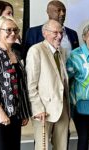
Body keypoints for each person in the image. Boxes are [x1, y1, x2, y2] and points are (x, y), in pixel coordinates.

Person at [26, 19, 70, 150]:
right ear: (45, 33)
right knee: (42, 147)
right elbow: (31, 84)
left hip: (62, 109)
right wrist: (37, 108)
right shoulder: (36, 50)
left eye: (61, 32)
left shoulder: (62, 51)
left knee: (62, 147)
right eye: (55, 32)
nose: (59, 36)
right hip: (43, 110)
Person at [0, 16, 31, 150]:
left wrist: (24, 112)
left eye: (15, 30)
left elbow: (22, 84)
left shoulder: (17, 53)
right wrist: (0, 111)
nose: (13, 33)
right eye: (8, 30)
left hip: (16, 113)